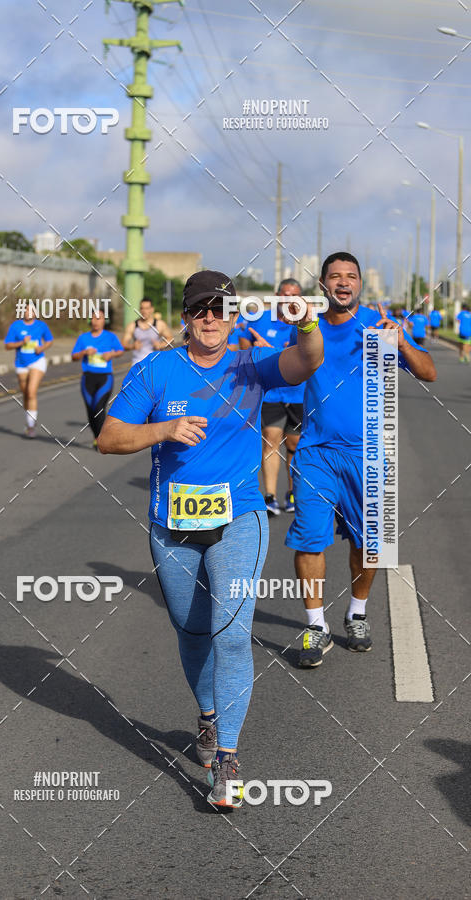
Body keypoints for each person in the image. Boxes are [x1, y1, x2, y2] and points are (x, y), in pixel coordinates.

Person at [97, 269, 323, 808]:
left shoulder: (251, 366)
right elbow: (108, 438)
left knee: (230, 632)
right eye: (202, 309)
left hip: (239, 516)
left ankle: (227, 757)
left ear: (234, 314)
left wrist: (307, 321)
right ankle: (206, 715)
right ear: (187, 317)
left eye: (222, 309)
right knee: (193, 630)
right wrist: (162, 430)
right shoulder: (157, 369)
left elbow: (307, 359)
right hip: (171, 523)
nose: (212, 318)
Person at [285, 252, 436, 668]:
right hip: (316, 453)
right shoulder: (308, 326)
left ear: (360, 285)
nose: (344, 282)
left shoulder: (379, 328)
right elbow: (283, 371)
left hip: (370, 455)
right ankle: (315, 627)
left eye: (351, 276)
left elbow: (428, 373)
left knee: (369, 544)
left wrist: (402, 342)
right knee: (309, 537)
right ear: (323, 284)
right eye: (335, 276)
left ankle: (356, 613)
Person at [239, 278, 305, 515]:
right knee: (270, 439)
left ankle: (292, 493)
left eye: (293, 295)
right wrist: (256, 349)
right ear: (276, 295)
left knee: (295, 444)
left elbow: (312, 354)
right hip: (270, 393)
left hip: (298, 393)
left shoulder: (305, 321)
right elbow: (244, 349)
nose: (288, 299)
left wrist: (275, 351)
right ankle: (270, 496)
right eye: (284, 294)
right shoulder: (260, 318)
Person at [71, 310, 124, 447]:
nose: (95, 321)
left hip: (105, 377)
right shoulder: (83, 338)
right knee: (91, 409)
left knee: (99, 407)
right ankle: (96, 437)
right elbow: (74, 356)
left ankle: (102, 438)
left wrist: (110, 355)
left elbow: (120, 351)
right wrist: (84, 352)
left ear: (103, 321)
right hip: (88, 378)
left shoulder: (110, 337)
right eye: (93, 318)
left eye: (99, 318)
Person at [4, 309, 53, 437]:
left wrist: (42, 348)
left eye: (31, 310)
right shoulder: (16, 326)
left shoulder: (41, 325)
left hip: (37, 361)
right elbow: (7, 345)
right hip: (21, 364)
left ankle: (31, 427)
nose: (28, 312)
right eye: (25, 310)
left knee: (31, 392)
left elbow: (49, 340)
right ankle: (29, 421)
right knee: (25, 394)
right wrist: (21, 343)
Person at [122, 296, 174, 364]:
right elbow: (123, 344)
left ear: (152, 309)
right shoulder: (133, 326)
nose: (144, 311)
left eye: (147, 308)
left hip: (154, 364)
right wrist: (132, 346)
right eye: (142, 308)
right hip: (138, 363)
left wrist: (161, 345)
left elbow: (171, 338)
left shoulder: (159, 324)